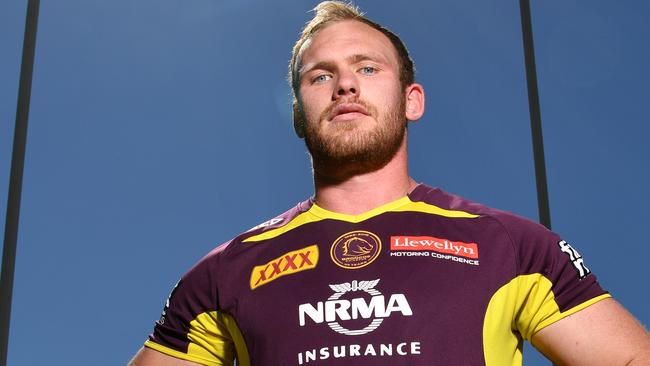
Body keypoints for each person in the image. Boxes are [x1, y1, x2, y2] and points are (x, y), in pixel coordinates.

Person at [129, 1, 650, 365]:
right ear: (299, 115)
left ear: (411, 100)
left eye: (368, 68)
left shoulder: (510, 246)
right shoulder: (223, 272)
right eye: (320, 76)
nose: (345, 85)